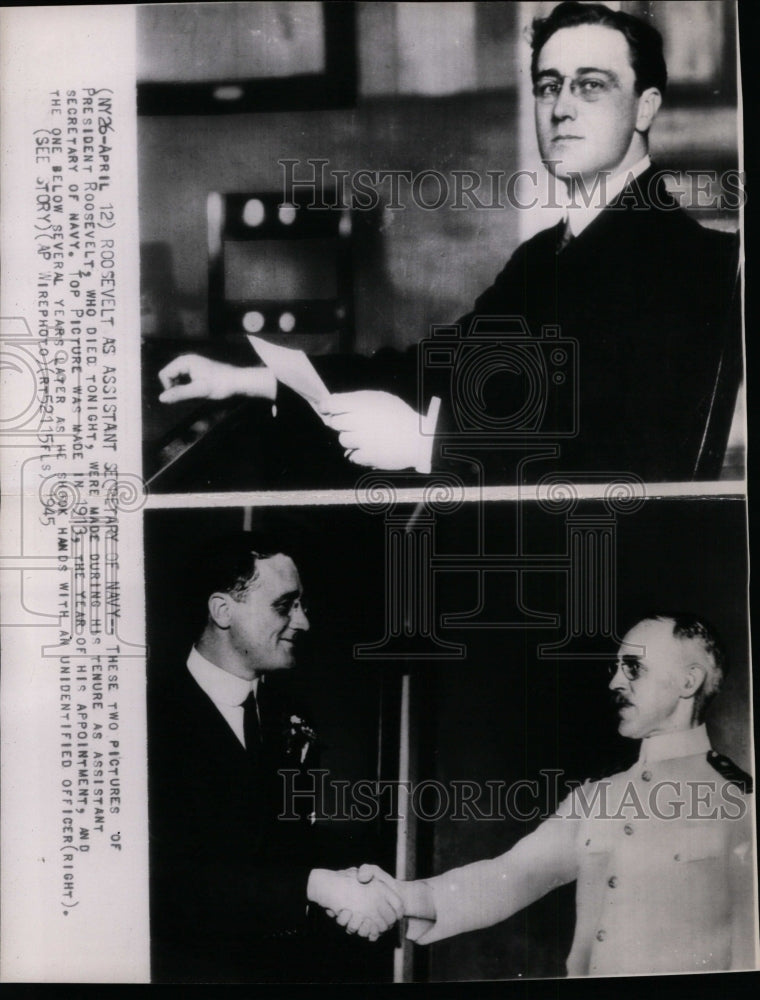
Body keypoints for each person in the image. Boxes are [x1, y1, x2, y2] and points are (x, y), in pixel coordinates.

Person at [157, 2, 741, 485]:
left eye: (591, 86)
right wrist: (243, 379)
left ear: (645, 107)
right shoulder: (543, 256)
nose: (561, 108)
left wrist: (431, 446)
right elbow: (430, 372)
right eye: (548, 86)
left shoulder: (696, 265)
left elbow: (635, 468)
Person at [349, 614, 756, 977]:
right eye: (615, 668)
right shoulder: (596, 798)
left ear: (689, 680)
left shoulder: (740, 801)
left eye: (633, 668)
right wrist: (402, 897)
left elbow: (750, 953)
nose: (614, 681)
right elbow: (509, 878)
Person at [148, 531, 402, 983]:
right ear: (223, 610)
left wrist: (351, 881)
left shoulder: (290, 714)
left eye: (301, 605)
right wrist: (317, 885)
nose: (302, 622)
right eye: (285, 605)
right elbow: (167, 881)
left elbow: (278, 844)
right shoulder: (146, 719)